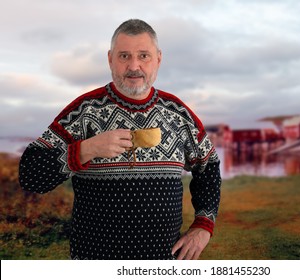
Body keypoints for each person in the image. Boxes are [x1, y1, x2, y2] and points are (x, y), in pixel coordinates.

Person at [18, 19, 221, 260]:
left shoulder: (178, 114)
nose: (134, 66)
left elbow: (209, 167)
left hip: (164, 260)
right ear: (110, 59)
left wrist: (204, 225)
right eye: (124, 56)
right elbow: (30, 175)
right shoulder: (85, 111)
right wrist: (85, 150)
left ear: (158, 59)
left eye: (143, 56)